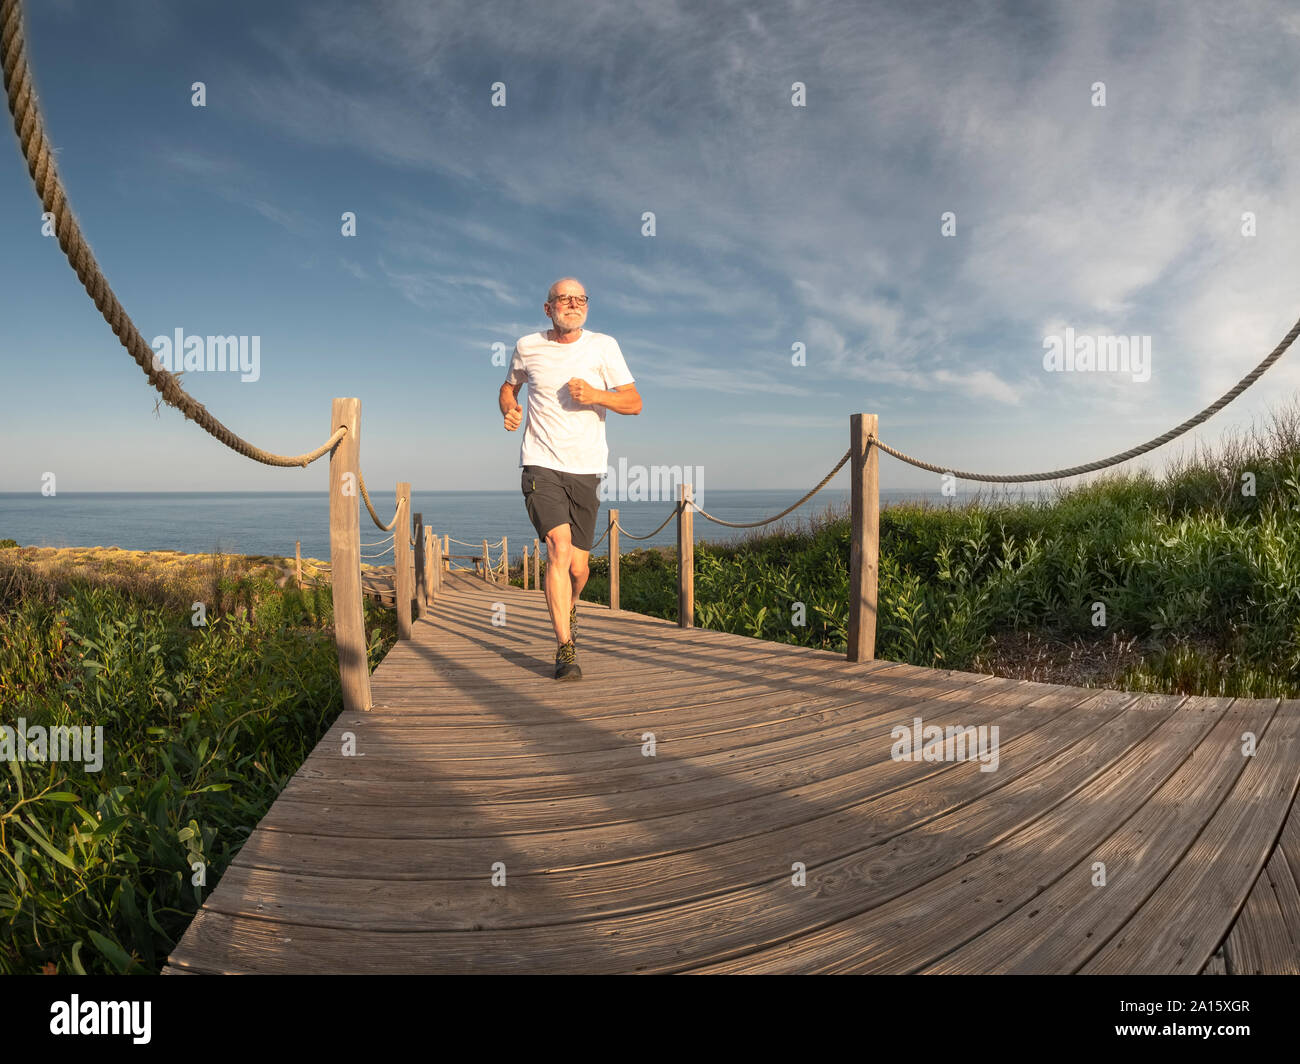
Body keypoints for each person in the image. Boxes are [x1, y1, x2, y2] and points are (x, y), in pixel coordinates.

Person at [499, 278, 642, 680]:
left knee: (579, 568)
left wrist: (597, 395)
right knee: (558, 548)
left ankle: (569, 604)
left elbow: (634, 402)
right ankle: (565, 647)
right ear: (548, 308)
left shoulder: (603, 346)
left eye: (580, 299)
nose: (573, 304)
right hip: (540, 462)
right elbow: (508, 388)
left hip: (587, 468)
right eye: (565, 298)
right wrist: (508, 407)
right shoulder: (527, 346)